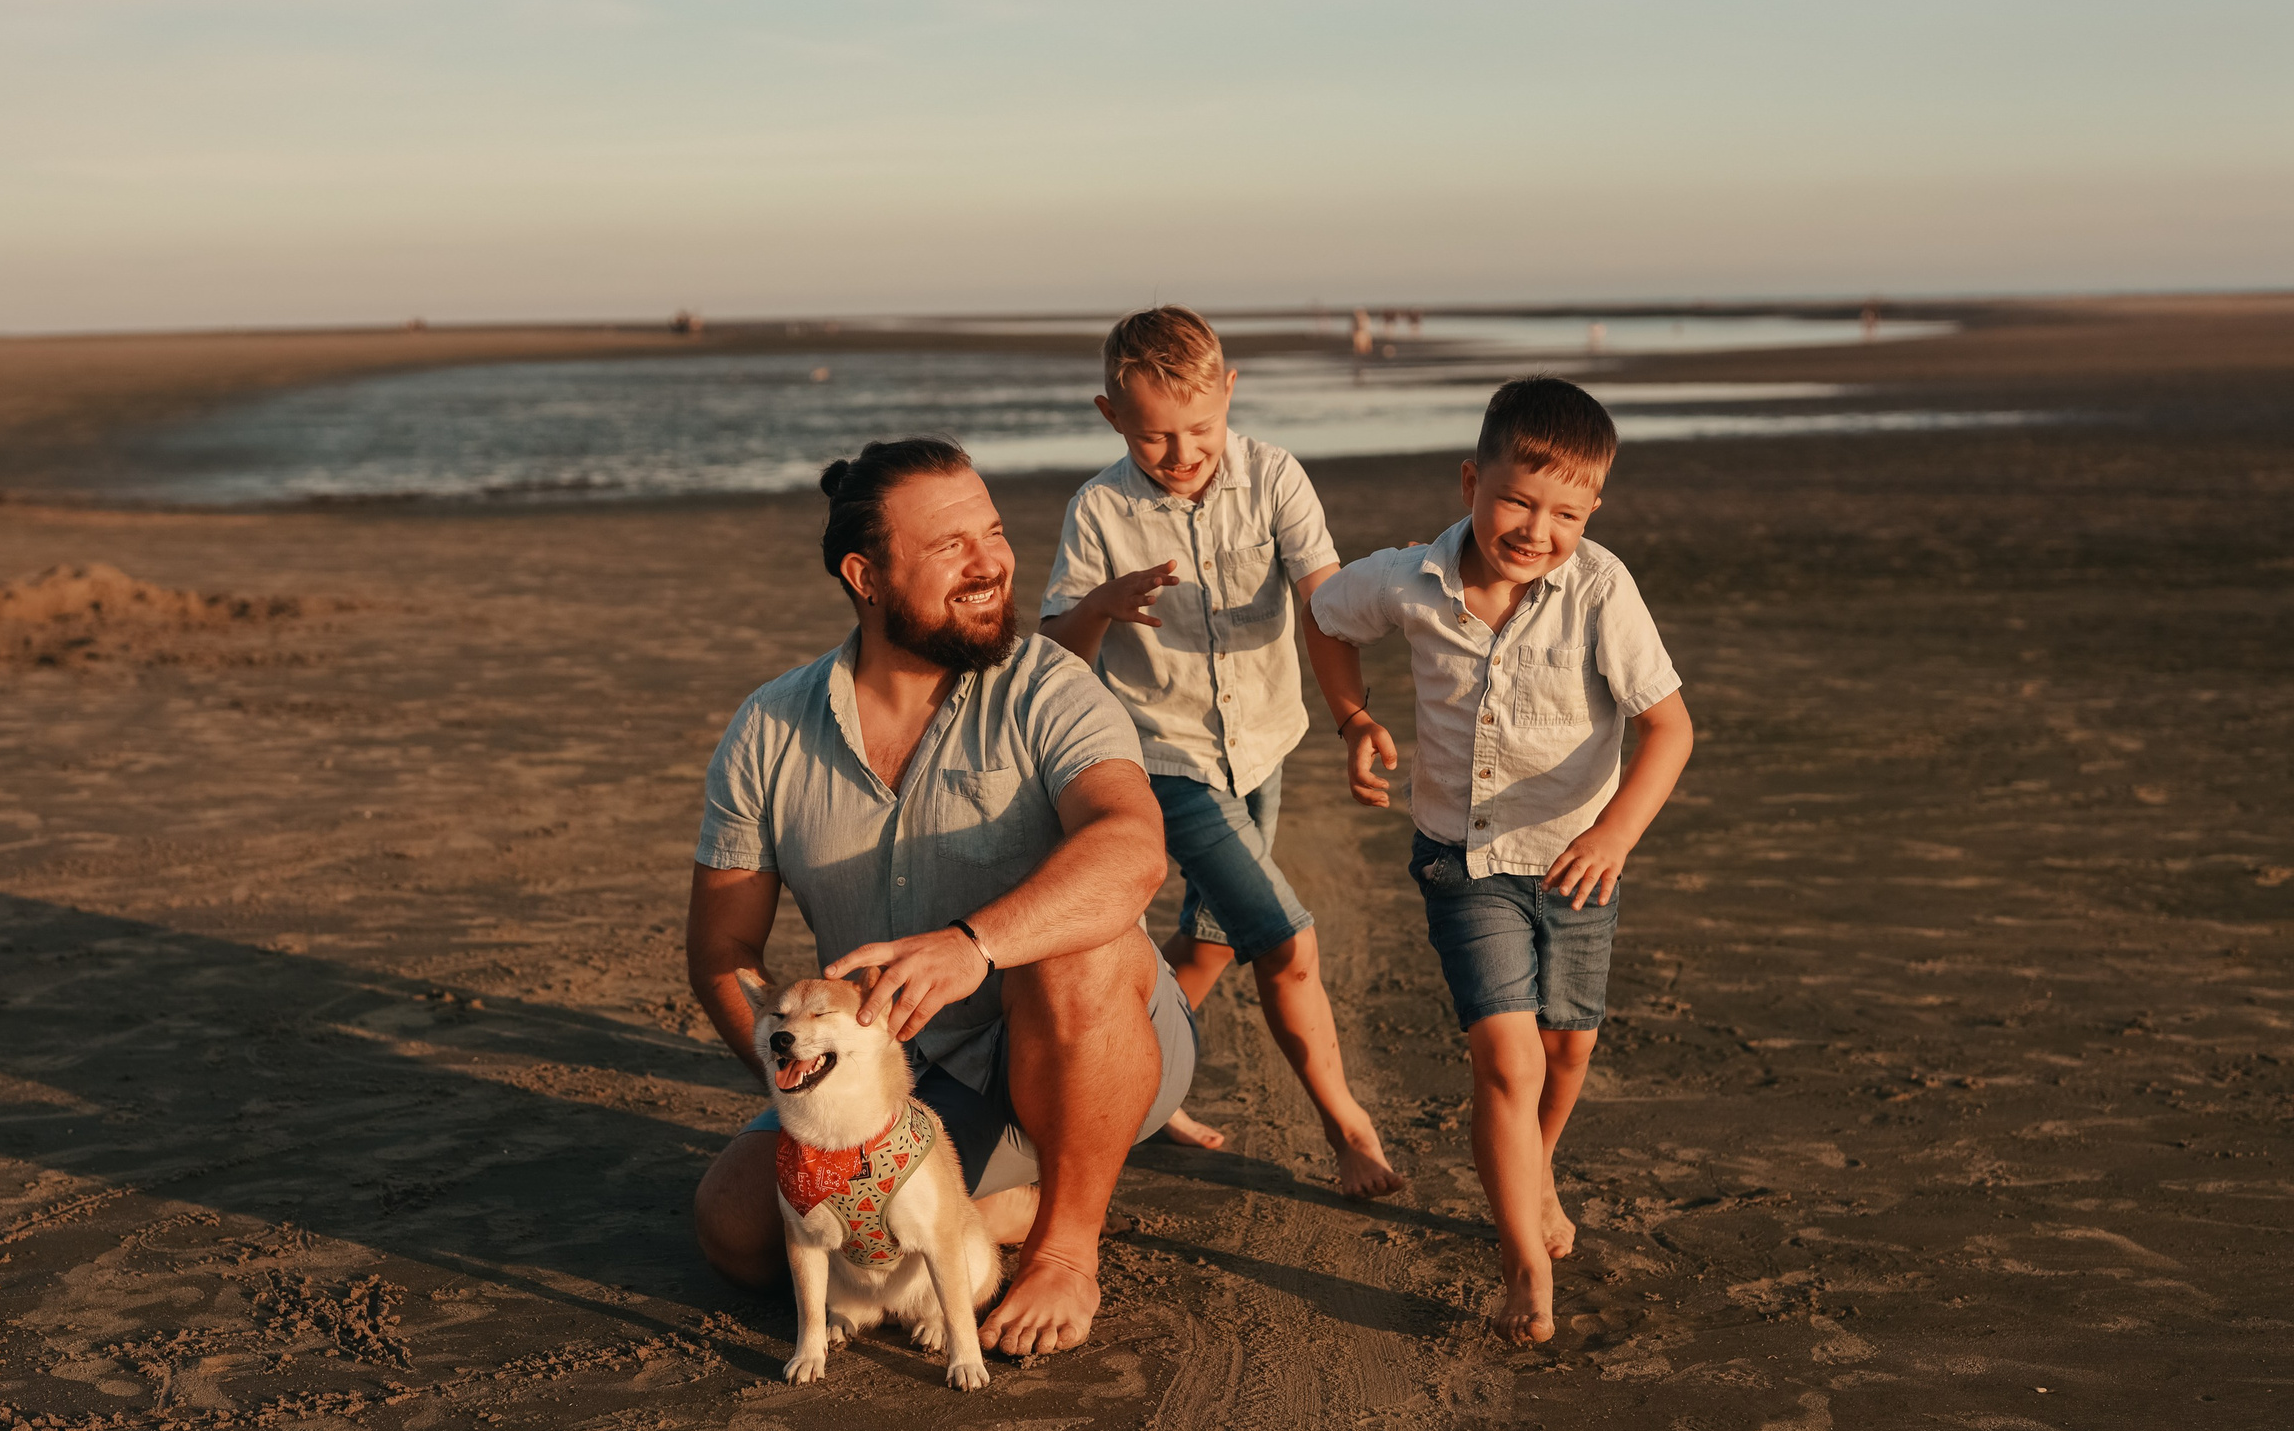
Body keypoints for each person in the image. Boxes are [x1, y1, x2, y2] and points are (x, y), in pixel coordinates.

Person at [686, 437, 1199, 1358]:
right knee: (735, 1229)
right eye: (950, 546)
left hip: (1091, 1026)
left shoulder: (1048, 685)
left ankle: (1065, 1243)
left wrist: (974, 944)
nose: (992, 562)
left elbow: (1134, 853)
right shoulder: (769, 728)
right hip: (898, 1077)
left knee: (1080, 942)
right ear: (866, 575)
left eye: (993, 533)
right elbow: (724, 951)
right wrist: (809, 1093)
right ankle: (999, 1196)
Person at [1304, 377, 1694, 1346]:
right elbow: (1325, 616)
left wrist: (1612, 836)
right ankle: (1522, 1259)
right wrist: (1354, 720)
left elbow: (1669, 730)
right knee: (1506, 1062)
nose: (1536, 528)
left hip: (1578, 866)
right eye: (1518, 500)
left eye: (1566, 512)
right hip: (1462, 862)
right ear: (1474, 479)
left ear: (1593, 511)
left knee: (1567, 1054)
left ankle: (1529, 1172)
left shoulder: (1600, 590)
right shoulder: (1407, 581)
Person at [1038, 306, 1403, 1198]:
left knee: (1207, 945)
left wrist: (1355, 719)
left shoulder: (1275, 477)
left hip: (1262, 748)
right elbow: (1054, 652)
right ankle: (1346, 1125)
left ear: (1230, 393)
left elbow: (1326, 606)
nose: (1182, 451)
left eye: (1200, 428)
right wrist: (1101, 606)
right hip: (1163, 757)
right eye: (1156, 435)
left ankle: (1133, 1091)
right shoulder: (1100, 510)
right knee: (1286, 940)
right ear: (1110, 414)